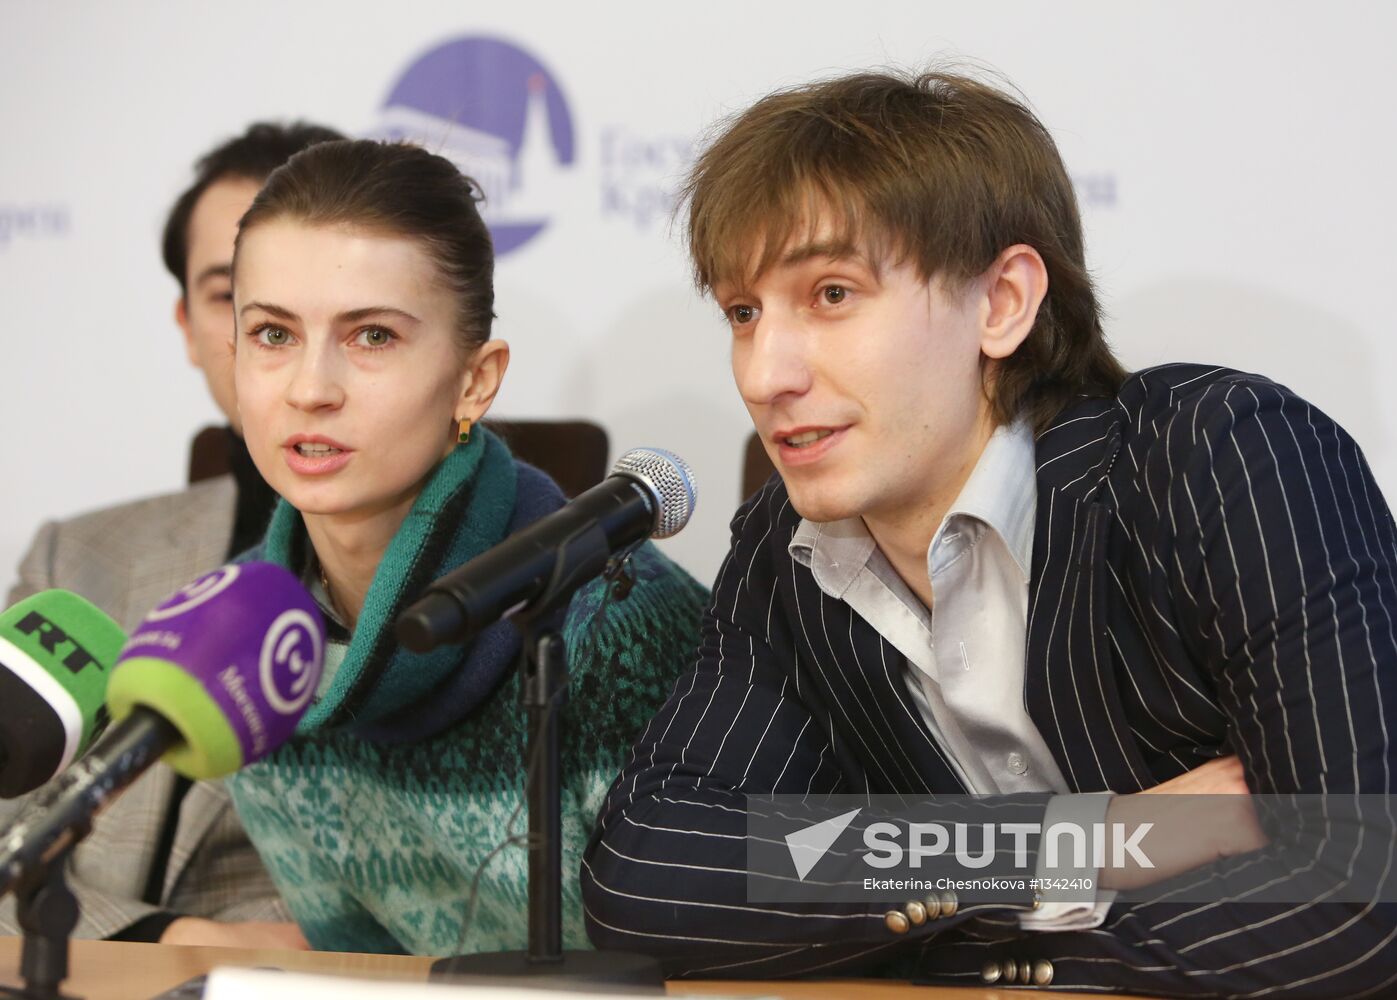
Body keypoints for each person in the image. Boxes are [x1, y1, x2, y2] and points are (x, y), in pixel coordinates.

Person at [581, 69, 1397, 995]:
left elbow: (1363, 896)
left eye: (833, 295)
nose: (766, 374)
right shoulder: (785, 546)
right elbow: (649, 874)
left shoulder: (1219, 457)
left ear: (1002, 302)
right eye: (742, 312)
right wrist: (1087, 844)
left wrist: (970, 953)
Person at [222, 138, 707, 956]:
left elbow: (715, 956)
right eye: (272, 334)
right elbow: (356, 965)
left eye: (372, 336)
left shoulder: (621, 627)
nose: (310, 389)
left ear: (475, 382)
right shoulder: (240, 639)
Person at [1, 121, 342, 948]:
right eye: (237, 300)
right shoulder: (73, 557)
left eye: (302, 305)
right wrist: (161, 937)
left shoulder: (459, 578)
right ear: (190, 324)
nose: (267, 341)